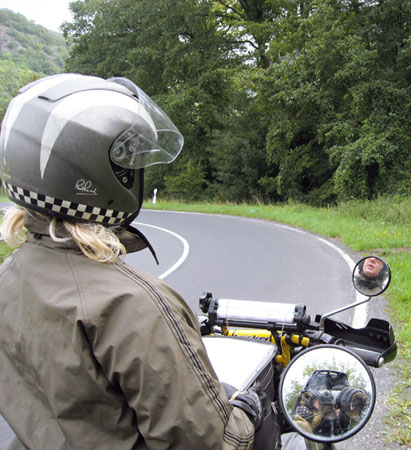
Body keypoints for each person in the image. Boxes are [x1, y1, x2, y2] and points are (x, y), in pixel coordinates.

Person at [0, 74, 266, 449]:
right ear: (98, 175)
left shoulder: (10, 275)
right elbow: (205, 442)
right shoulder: (133, 304)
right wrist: (246, 416)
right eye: (128, 162)